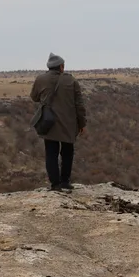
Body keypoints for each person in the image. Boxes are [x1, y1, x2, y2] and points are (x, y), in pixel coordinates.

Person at [30, 53, 87, 192]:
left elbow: (34, 97)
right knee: (67, 153)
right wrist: (82, 123)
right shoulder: (71, 81)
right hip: (69, 123)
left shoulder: (40, 79)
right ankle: (65, 181)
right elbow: (79, 105)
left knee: (51, 153)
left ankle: (55, 184)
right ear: (61, 67)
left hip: (49, 122)